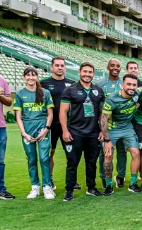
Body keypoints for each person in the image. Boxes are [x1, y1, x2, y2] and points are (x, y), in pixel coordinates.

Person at [59, 62, 106, 201]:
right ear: (79, 72)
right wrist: (65, 131)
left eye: (90, 72)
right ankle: (69, 190)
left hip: (93, 132)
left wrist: (103, 130)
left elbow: (102, 113)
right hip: (75, 132)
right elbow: (63, 111)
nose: (87, 74)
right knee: (72, 162)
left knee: (91, 162)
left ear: (93, 74)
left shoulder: (98, 90)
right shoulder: (70, 90)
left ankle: (91, 188)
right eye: (84, 71)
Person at [14, 68, 54, 199]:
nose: (31, 78)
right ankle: (35, 187)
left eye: (33, 75)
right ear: (24, 77)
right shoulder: (20, 94)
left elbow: (50, 114)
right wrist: (24, 133)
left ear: (37, 77)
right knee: (31, 159)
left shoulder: (45, 93)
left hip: (42, 127)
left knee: (44, 158)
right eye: (28, 75)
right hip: (27, 129)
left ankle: (47, 187)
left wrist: (46, 129)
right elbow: (18, 116)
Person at [99, 74, 142, 195]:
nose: (131, 87)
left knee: (136, 152)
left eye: (134, 85)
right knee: (108, 155)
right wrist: (107, 140)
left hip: (128, 127)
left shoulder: (137, 94)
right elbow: (104, 120)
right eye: (128, 84)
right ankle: (108, 186)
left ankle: (133, 183)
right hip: (112, 129)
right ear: (122, 85)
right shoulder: (112, 99)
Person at [41, 57, 76, 190]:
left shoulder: (72, 84)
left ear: (65, 68)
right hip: (50, 124)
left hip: (68, 124)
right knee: (50, 153)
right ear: (52, 67)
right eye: (57, 65)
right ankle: (49, 179)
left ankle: (71, 180)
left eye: (62, 65)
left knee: (71, 154)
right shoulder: (43, 83)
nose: (60, 68)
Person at [97, 58, 127, 189]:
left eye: (118, 66)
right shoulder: (100, 84)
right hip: (106, 125)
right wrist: (101, 127)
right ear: (108, 67)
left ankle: (121, 176)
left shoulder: (124, 83)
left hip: (122, 124)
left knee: (122, 151)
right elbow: (98, 106)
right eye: (113, 65)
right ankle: (104, 177)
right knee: (104, 152)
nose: (116, 68)